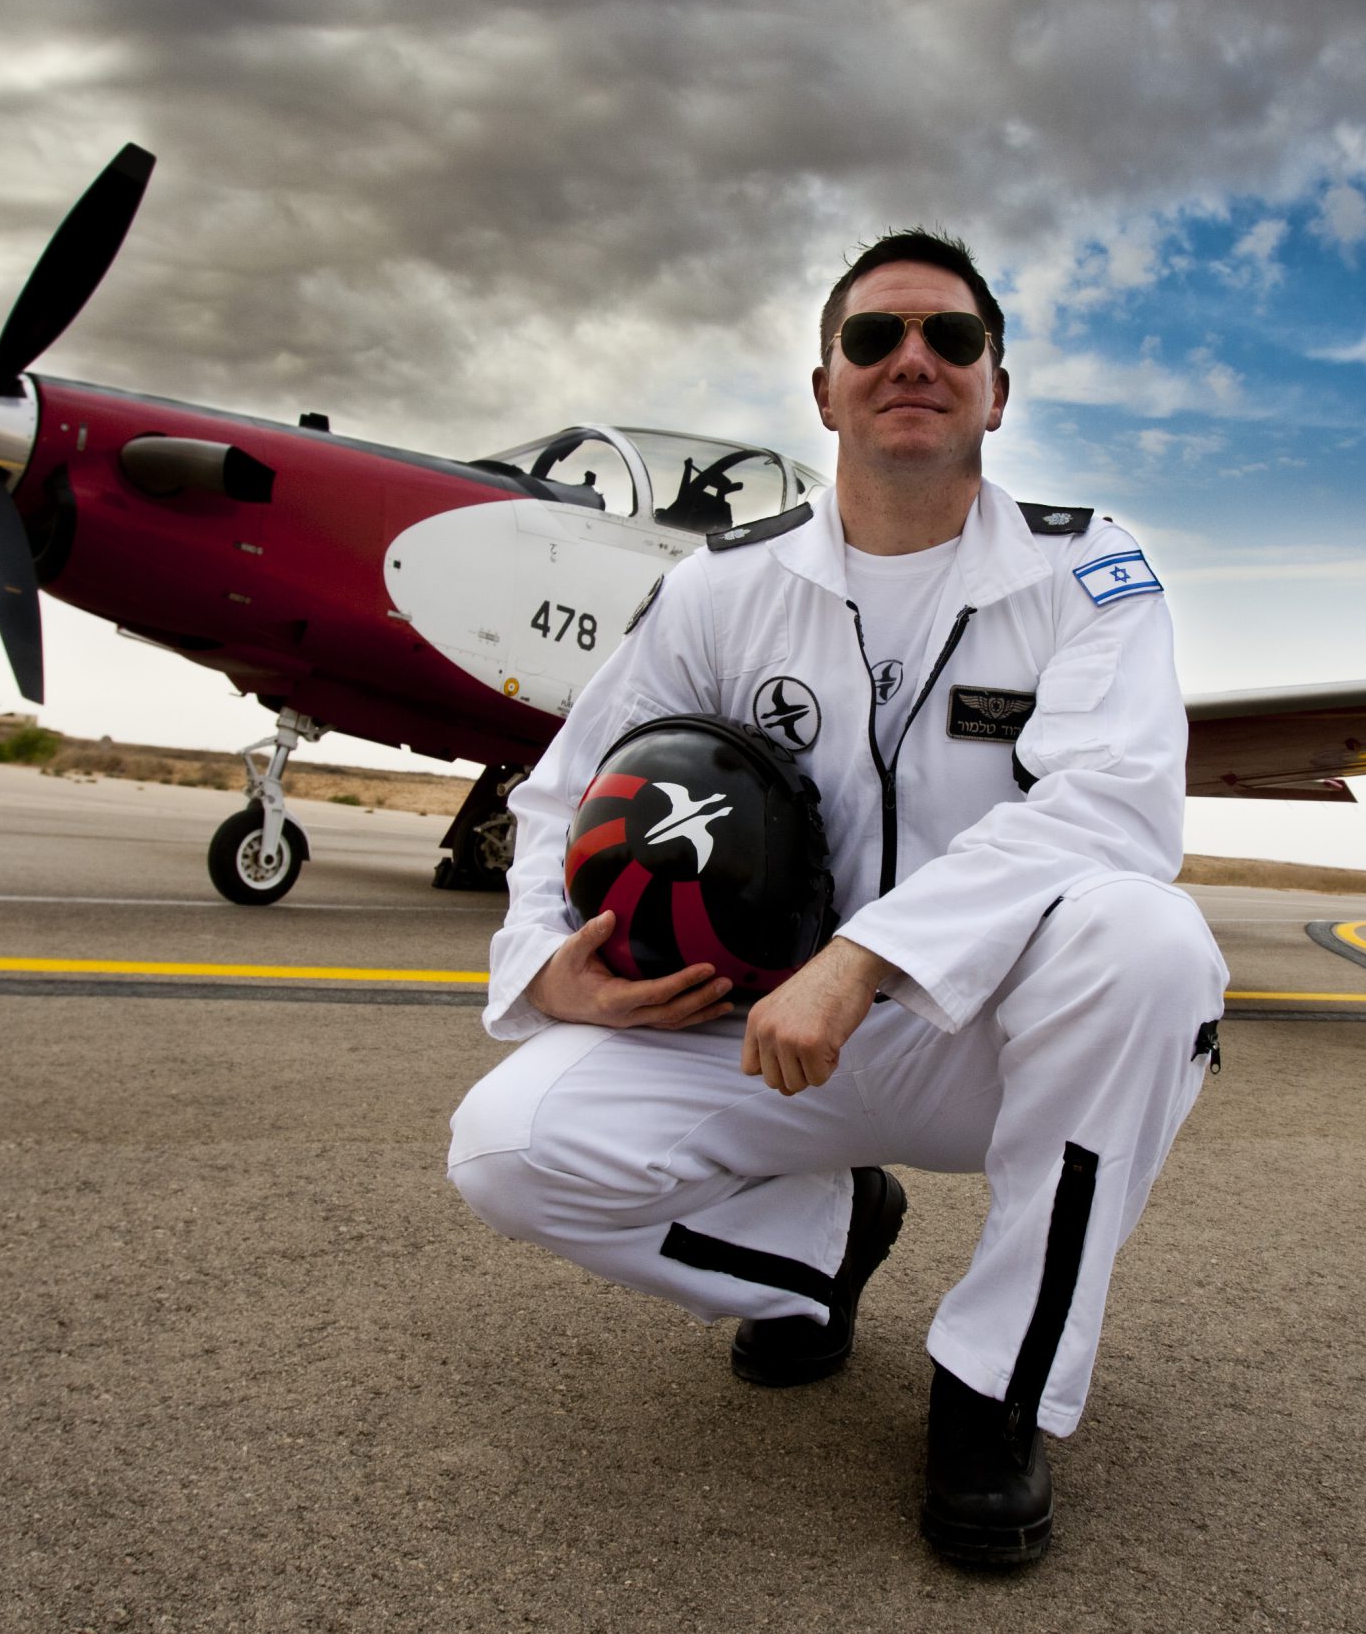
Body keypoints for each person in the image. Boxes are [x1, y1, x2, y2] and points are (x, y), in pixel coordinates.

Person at [447, 229, 1228, 1565]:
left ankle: (998, 1385)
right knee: (508, 1149)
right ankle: (821, 1246)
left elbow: (1116, 805)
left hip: (990, 1037)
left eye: (950, 340)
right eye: (873, 339)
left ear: (996, 387)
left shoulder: (1088, 568)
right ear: (825, 389)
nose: (911, 360)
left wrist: (865, 956)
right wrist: (545, 960)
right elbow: (559, 790)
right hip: (762, 1033)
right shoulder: (720, 588)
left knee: (1151, 940)